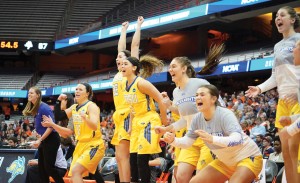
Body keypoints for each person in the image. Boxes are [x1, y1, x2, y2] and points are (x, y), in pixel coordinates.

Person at [162, 84, 263, 183]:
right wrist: (173, 140)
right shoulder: (197, 119)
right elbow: (187, 142)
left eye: (202, 95)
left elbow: (238, 139)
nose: (198, 97)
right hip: (226, 162)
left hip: (248, 157)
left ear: (213, 99)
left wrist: (212, 139)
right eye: (196, 95)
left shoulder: (224, 114)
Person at [155, 45, 225, 183]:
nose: (170, 69)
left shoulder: (200, 83)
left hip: (209, 136)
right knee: (180, 176)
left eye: (173, 66)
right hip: (191, 136)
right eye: (169, 67)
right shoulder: (176, 92)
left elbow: (221, 106)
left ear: (184, 69)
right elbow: (184, 119)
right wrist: (166, 126)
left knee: (202, 177)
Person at [245, 6, 300, 183]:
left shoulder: (299, 40)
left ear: (292, 20)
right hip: (283, 102)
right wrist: (259, 89)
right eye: (276, 16)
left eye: (282, 15)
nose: (278, 18)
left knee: (295, 150)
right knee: (287, 154)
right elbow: (275, 77)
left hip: (297, 98)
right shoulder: (277, 46)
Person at [42, 83, 105, 183]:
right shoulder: (74, 107)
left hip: (93, 145)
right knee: (74, 175)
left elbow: (94, 126)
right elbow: (59, 116)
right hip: (80, 145)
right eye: (76, 89)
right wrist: (58, 101)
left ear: (87, 93)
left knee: (76, 171)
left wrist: (85, 118)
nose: (77, 91)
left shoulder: (91, 106)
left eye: (80, 89)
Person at [121, 55, 168, 183]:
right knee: (133, 160)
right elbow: (132, 108)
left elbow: (160, 100)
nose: (122, 66)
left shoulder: (141, 83)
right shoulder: (125, 85)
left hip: (149, 120)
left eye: (125, 64)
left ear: (134, 67)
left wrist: (165, 122)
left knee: (142, 160)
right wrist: (130, 125)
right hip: (137, 122)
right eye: (121, 64)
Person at [110, 16, 144, 183]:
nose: (118, 59)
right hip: (118, 115)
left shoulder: (130, 71)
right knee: (118, 156)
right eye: (118, 58)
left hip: (128, 114)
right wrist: (123, 30)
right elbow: (120, 48)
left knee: (123, 156)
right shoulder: (118, 73)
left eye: (122, 58)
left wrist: (138, 26)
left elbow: (134, 46)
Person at [23, 86, 63, 183]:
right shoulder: (36, 108)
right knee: (42, 169)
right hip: (45, 139)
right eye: (29, 93)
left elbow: (51, 126)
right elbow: (42, 126)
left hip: (52, 139)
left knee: (49, 168)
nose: (29, 94)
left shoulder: (44, 107)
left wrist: (40, 140)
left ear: (38, 95)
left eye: (32, 93)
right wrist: (38, 138)